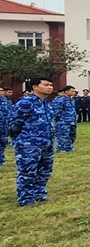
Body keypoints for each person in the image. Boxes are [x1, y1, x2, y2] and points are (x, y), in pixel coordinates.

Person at [8, 77, 55, 205]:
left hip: (47, 142)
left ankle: (40, 194)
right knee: (27, 171)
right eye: (46, 85)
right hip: (29, 143)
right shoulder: (25, 103)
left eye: (51, 85)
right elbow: (15, 123)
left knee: (44, 170)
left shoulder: (46, 103)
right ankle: (26, 198)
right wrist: (20, 138)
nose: (50, 87)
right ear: (35, 87)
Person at [52, 85, 78, 152]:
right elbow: (56, 111)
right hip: (63, 121)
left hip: (72, 121)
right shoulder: (61, 100)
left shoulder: (72, 100)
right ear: (66, 91)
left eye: (74, 91)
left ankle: (69, 147)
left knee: (71, 135)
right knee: (63, 135)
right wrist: (58, 120)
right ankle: (61, 148)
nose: (74, 92)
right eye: (72, 91)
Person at [0, 86, 12, 166]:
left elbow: (10, 112)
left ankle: (1, 160)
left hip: (4, 126)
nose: (1, 92)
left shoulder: (6, 101)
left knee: (2, 144)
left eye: (2, 90)